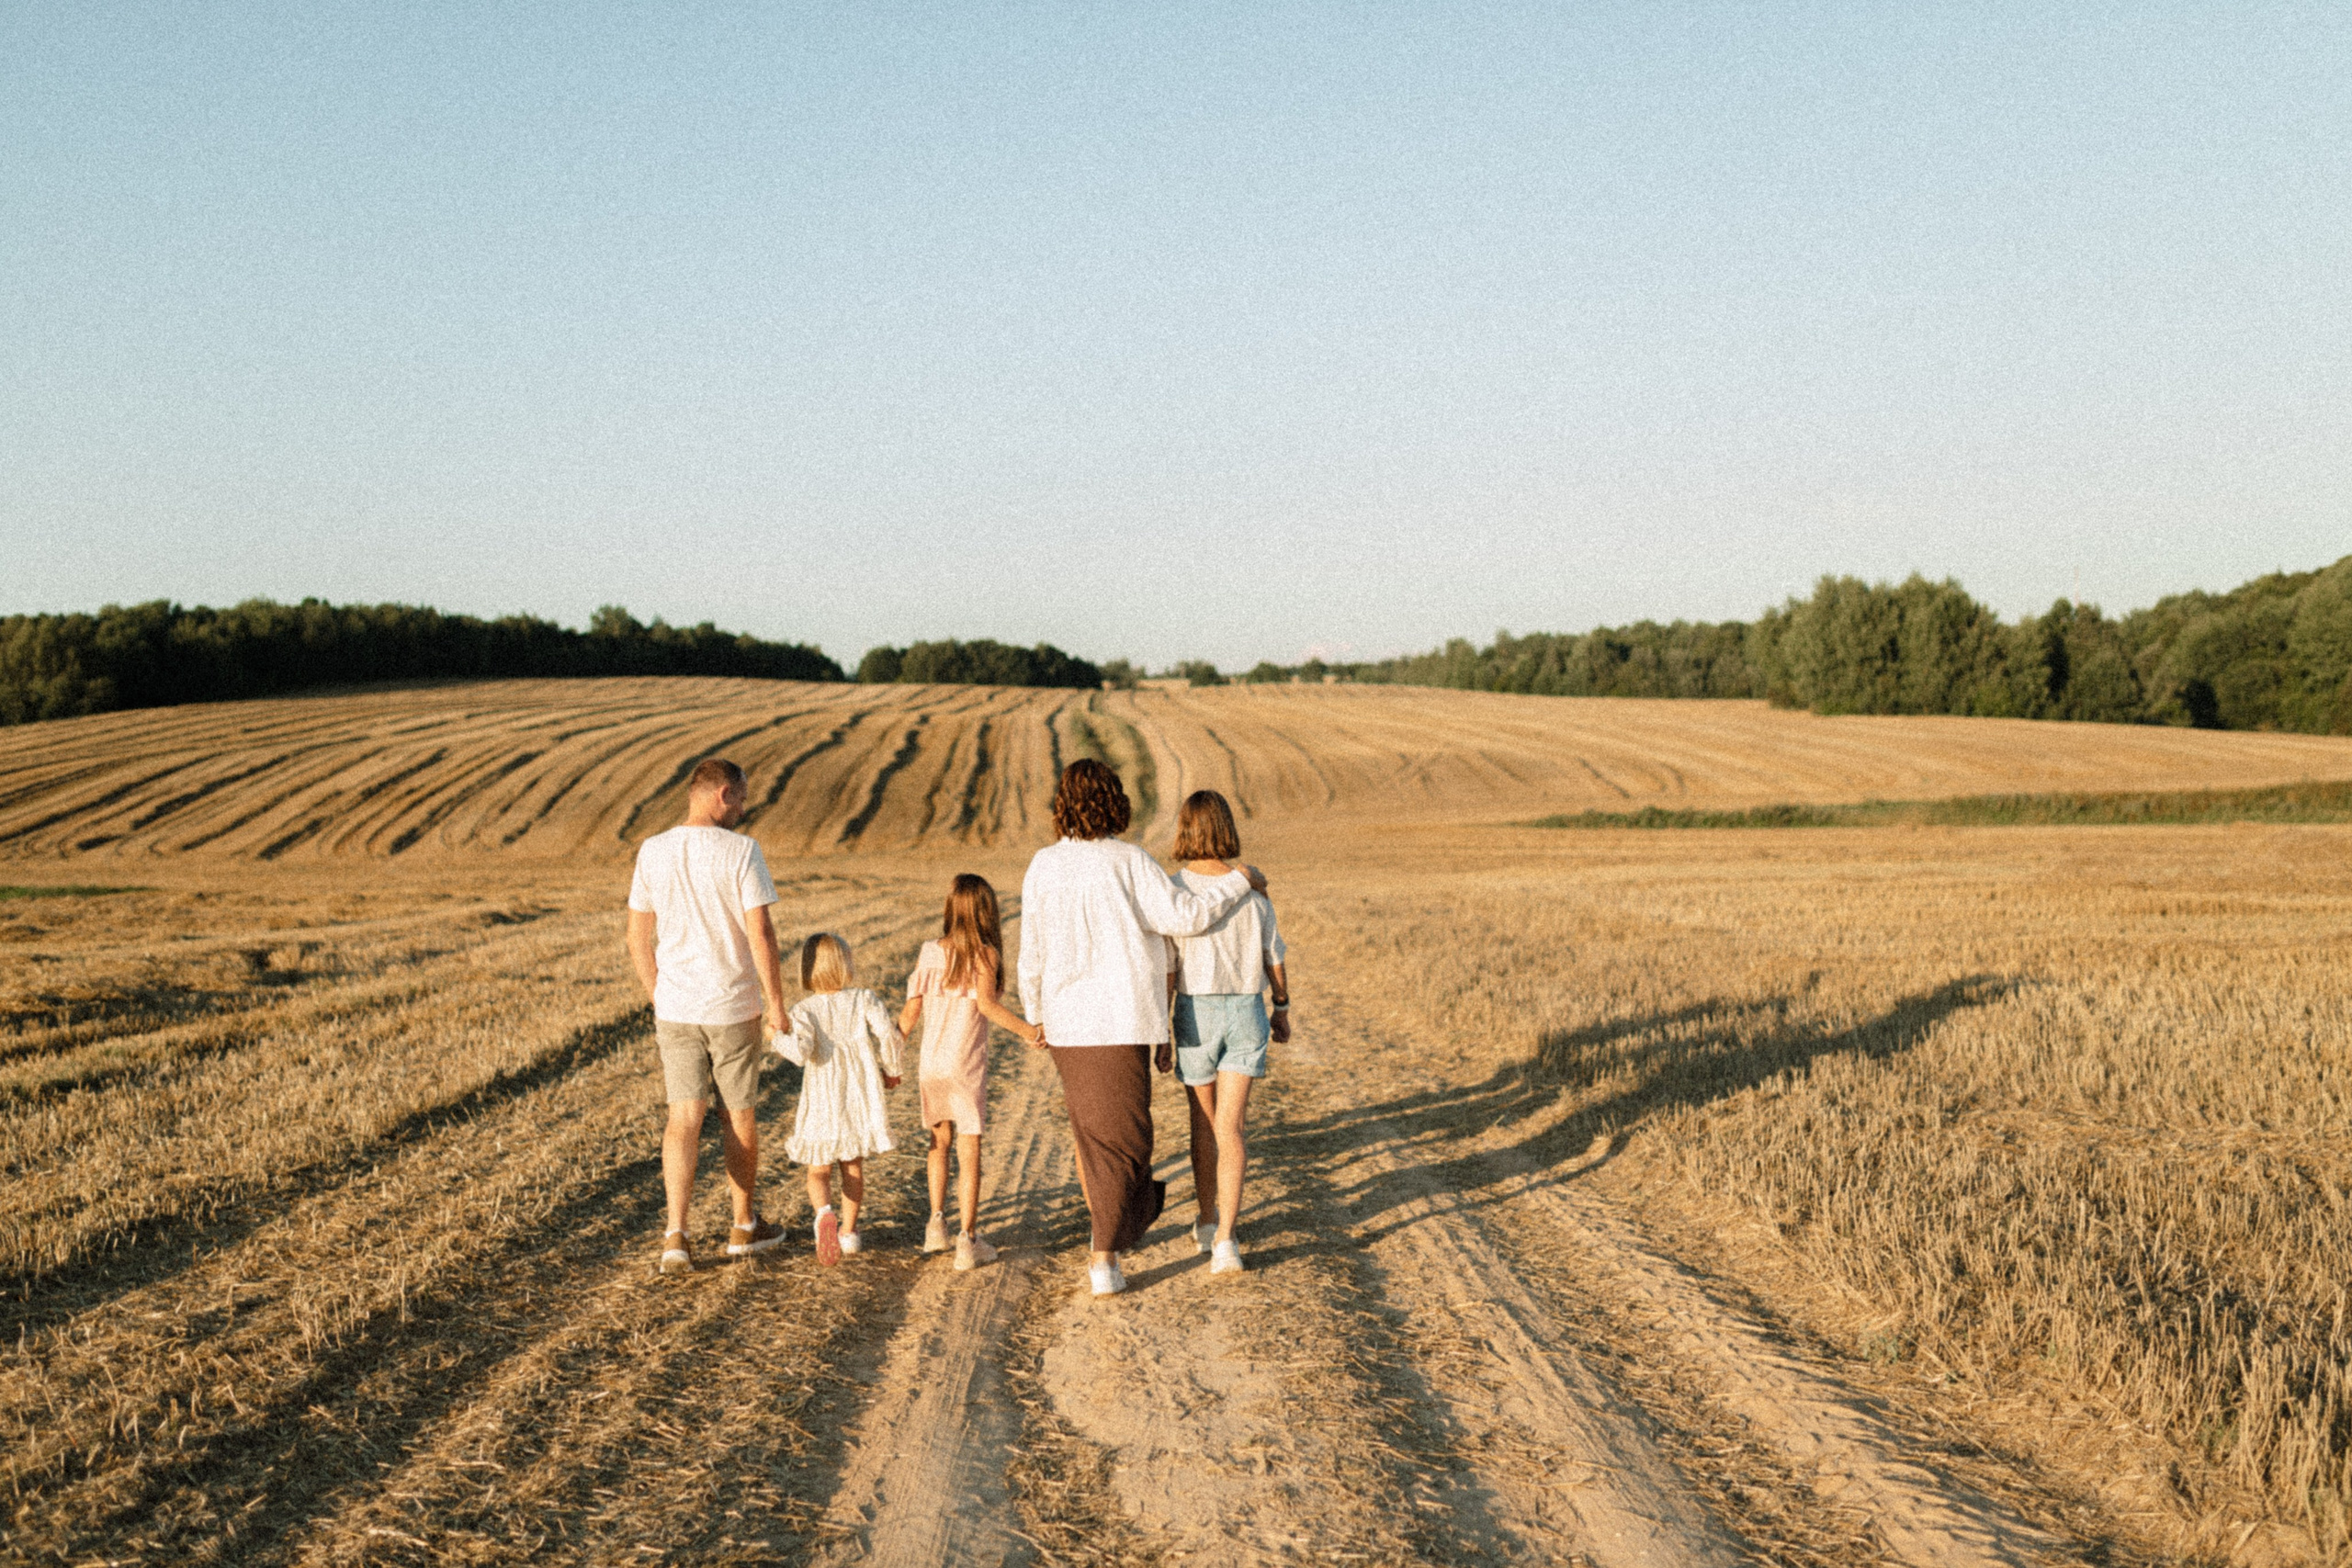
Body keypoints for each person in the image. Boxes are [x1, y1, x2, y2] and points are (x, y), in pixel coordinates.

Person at [1018, 759, 1262, 1297]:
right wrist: (1240, 882)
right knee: (1122, 1142)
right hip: (1116, 1017)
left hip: (1071, 1021)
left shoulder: (1047, 864)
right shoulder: (1129, 861)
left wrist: (1036, 1010)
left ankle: (1115, 1231)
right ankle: (1103, 1255)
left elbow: (1029, 951)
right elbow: (1185, 917)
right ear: (1114, 800)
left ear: (1063, 803)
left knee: (1103, 1141)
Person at [626, 757, 790, 1275]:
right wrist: (777, 1004)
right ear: (722, 794)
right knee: (737, 1116)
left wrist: (660, 995)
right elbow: (760, 933)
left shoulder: (653, 850)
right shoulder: (742, 851)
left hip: (676, 1008)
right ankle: (743, 1225)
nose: (743, 809)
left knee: (683, 1118)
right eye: (740, 799)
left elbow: (637, 937)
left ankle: (676, 1235)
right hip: (732, 1005)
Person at [1159, 790, 1289, 1277]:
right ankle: (1226, 1243)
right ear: (1226, 828)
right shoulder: (1253, 891)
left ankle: (1208, 1217)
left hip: (1195, 1012)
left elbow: (1168, 967)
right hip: (1245, 1010)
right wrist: (1282, 1006)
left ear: (1185, 830)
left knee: (1205, 1126)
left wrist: (1160, 1030)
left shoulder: (1174, 890)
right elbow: (1273, 955)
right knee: (1232, 1129)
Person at [899, 874, 1045, 1271]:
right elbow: (987, 1006)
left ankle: (935, 1224)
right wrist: (1031, 1032)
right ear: (987, 912)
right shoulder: (985, 955)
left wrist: (891, 1055)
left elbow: (910, 1013)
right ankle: (968, 1239)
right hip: (964, 1066)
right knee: (970, 1149)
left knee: (938, 1142)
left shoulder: (930, 952)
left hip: (930, 1064)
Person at [775, 932, 904, 1267]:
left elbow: (801, 1053)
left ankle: (824, 1213)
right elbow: (887, 1034)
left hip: (822, 1093)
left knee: (818, 1168)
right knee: (853, 1166)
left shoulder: (804, 1009)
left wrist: (776, 1038)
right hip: (858, 1092)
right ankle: (848, 1232)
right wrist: (891, 1068)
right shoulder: (863, 998)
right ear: (845, 965)